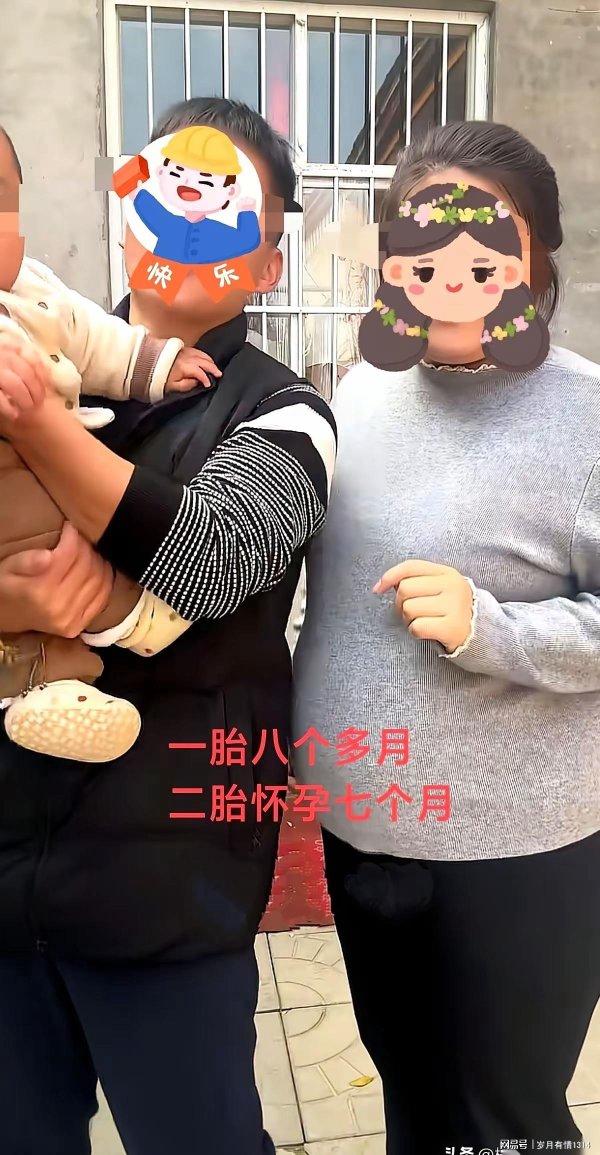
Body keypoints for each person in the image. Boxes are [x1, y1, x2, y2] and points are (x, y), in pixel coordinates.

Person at [0, 98, 336, 1155]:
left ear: (267, 263)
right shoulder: (37, 338)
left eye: (226, 207)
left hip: (169, 892)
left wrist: (37, 425)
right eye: (172, 195)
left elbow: (207, 553)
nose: (191, 222)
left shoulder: (286, 410)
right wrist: (16, 606)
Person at [293, 120, 600, 1154]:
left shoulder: (586, 417)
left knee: (505, 1120)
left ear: (536, 257)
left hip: (517, 854)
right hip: (364, 832)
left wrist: (493, 628)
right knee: (413, 1098)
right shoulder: (362, 391)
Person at [0, 125, 224, 763]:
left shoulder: (38, 293)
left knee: (58, 550)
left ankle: (110, 637)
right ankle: (44, 678)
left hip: (32, 483)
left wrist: (158, 363)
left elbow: (99, 340)